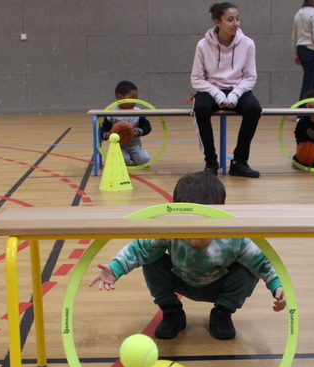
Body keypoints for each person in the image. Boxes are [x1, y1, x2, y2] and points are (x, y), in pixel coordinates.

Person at [89, 172, 286, 341]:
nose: (194, 240)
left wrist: (277, 285)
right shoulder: (169, 230)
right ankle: (172, 313)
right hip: (181, 279)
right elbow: (139, 249)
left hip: (219, 285)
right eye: (188, 231)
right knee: (151, 258)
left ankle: (222, 313)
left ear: (219, 218)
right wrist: (115, 269)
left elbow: (263, 262)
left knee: (249, 268)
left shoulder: (235, 238)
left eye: (203, 232)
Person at [191, 2, 263, 178]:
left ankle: (239, 162)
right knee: (200, 108)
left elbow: (250, 77)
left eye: (237, 19)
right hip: (210, 89)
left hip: (238, 88)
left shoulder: (248, 44)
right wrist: (216, 94)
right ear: (218, 22)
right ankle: (211, 162)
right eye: (230, 19)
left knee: (254, 109)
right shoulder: (203, 45)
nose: (235, 23)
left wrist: (235, 94)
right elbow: (197, 79)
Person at [98, 81, 153, 167]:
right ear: (120, 97)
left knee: (145, 161)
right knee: (124, 161)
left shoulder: (138, 112)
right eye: (131, 99)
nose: (134, 102)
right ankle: (117, 156)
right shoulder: (111, 113)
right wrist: (108, 134)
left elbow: (147, 127)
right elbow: (102, 131)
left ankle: (135, 156)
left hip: (134, 145)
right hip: (118, 145)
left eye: (136, 98)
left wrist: (138, 131)